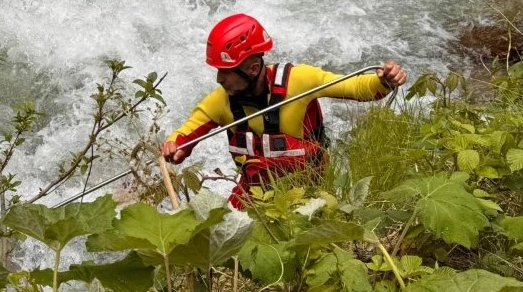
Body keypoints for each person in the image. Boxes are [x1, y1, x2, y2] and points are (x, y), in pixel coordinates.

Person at [160, 13, 407, 208]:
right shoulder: (219, 102)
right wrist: (173, 146)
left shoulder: (300, 80)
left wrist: (385, 81)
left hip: (311, 193)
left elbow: (358, 87)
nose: (219, 79)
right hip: (255, 196)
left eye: (225, 71)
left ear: (252, 69)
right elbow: (185, 134)